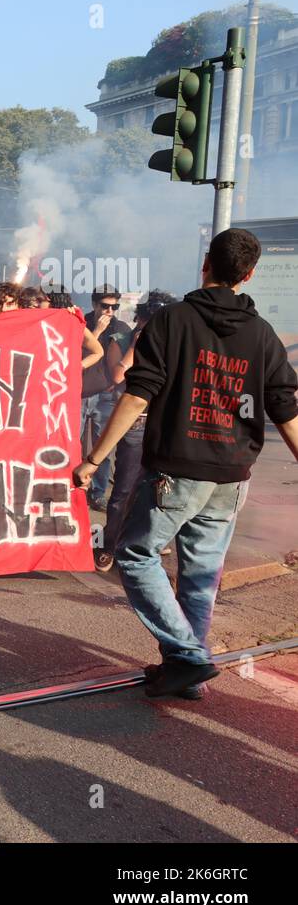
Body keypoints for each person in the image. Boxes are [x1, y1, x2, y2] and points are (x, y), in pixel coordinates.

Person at [74, 229, 298, 699]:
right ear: (250, 274)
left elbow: (137, 396)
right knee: (199, 578)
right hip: (232, 476)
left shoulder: (173, 320)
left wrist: (94, 459)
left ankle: (189, 657)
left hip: (176, 472)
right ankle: (185, 670)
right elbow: (286, 409)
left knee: (135, 555)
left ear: (206, 264)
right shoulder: (262, 335)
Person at [92, 290, 178, 574]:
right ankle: (109, 546)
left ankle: (142, 543)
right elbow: (118, 377)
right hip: (135, 422)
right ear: (143, 318)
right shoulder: (124, 338)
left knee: (158, 488)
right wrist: (138, 344)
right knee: (125, 488)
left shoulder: (171, 343)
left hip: (163, 421)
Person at [80, 284, 133, 510]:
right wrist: (97, 333)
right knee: (74, 443)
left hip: (105, 395)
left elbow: (127, 358)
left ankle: (98, 492)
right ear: (94, 304)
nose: (109, 312)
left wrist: (116, 383)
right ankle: (74, 488)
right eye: (105, 306)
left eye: (114, 307)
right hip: (81, 393)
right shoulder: (81, 323)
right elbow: (75, 352)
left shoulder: (121, 327)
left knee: (103, 446)